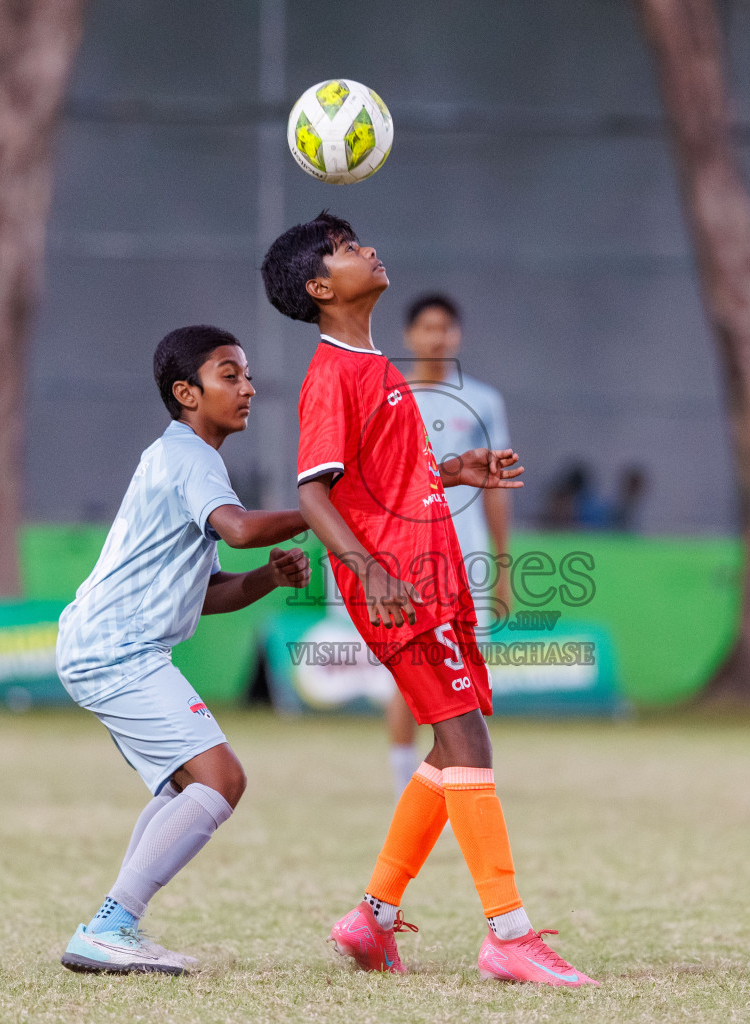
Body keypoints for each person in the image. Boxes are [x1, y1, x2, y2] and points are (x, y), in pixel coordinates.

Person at [261, 210, 597, 986]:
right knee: (470, 744)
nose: (368, 249)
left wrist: (457, 469)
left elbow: (382, 479)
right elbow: (314, 493)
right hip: (399, 589)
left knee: (453, 748)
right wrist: (369, 571)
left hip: (431, 578)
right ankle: (508, 937)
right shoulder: (333, 374)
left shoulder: (375, 365)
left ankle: (372, 919)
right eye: (347, 250)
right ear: (320, 286)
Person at [54, 325, 311, 975]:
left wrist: (268, 579)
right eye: (230, 374)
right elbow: (244, 528)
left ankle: (113, 926)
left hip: (108, 647)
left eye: (247, 374)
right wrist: (328, 505)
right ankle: (111, 926)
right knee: (223, 780)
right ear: (185, 392)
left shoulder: (184, 457)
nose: (248, 387)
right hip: (117, 651)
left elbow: (209, 591)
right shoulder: (189, 459)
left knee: (188, 783)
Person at [386, 293, 513, 798]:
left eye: (446, 328)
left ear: (457, 335)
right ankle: (404, 783)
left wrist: (502, 566)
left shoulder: (482, 401)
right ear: (409, 335)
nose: (437, 337)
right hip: (408, 556)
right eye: (427, 327)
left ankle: (445, 781)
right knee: (410, 674)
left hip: (468, 558)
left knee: (462, 675)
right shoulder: (392, 397)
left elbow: (496, 488)